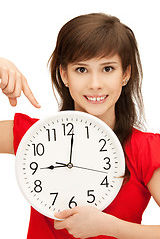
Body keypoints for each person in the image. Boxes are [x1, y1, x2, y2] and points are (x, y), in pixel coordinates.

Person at [0, 13, 160, 239]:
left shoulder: (145, 150)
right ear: (64, 75)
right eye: (81, 70)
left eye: (108, 69)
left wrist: (109, 227)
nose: (95, 84)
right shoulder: (35, 137)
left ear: (126, 74)